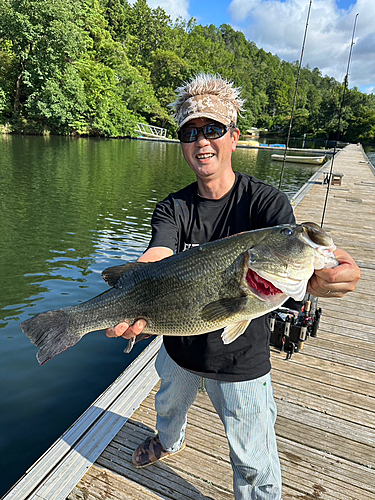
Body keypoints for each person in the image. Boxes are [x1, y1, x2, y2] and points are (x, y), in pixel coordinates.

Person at [106, 74, 360, 499]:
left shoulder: (266, 204)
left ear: (234, 137)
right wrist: (134, 284)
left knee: (254, 460)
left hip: (242, 360)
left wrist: (323, 279)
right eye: (190, 132)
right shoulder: (174, 206)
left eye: (213, 129)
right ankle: (169, 440)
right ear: (183, 143)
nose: (202, 141)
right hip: (178, 343)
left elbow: (293, 263)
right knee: (167, 407)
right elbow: (158, 255)